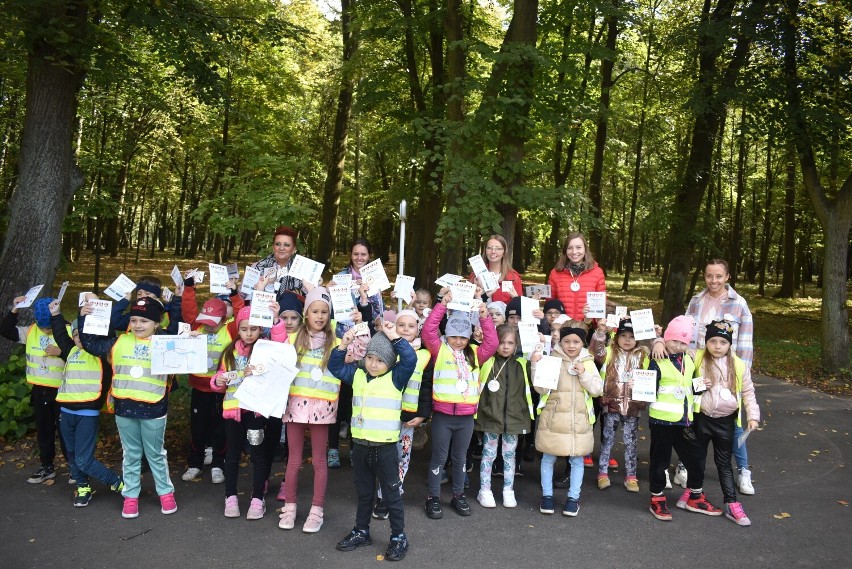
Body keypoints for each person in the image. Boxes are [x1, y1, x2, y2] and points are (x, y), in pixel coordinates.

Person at [78, 295, 183, 519]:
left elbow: (189, 355)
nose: (138, 325)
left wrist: (190, 339)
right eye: (134, 320)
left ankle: (165, 492)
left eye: (144, 321)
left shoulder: (167, 342)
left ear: (156, 324)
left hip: (154, 410)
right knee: (131, 454)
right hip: (125, 408)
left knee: (155, 454)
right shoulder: (118, 342)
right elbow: (90, 344)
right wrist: (82, 318)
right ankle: (130, 496)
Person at [329, 324, 417, 561]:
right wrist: (343, 345)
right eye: (369, 357)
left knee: (391, 495)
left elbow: (409, 358)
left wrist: (393, 337)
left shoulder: (397, 377)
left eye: (380, 360)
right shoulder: (357, 375)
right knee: (364, 493)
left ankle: (399, 536)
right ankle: (361, 531)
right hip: (360, 447)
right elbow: (334, 366)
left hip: (386, 448)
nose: (373, 364)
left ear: (390, 362)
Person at [683, 259, 757, 495]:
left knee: (733, 425)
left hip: (728, 373)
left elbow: (745, 342)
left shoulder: (739, 304)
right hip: (700, 367)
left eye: (718, 276)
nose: (713, 281)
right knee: (695, 421)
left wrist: (739, 375)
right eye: (708, 276)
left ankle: (744, 471)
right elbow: (686, 334)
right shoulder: (697, 301)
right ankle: (687, 466)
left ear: (727, 277)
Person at [421, 291, 497, 519]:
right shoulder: (439, 350)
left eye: (463, 337)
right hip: (443, 416)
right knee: (439, 457)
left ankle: (457, 495)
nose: (458, 341)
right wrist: (442, 304)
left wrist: (484, 315)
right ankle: (433, 497)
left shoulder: (475, 353)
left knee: (460, 457)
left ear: (468, 338)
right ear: (448, 335)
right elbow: (427, 331)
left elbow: (492, 343)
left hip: (465, 417)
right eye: (454, 336)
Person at [211, 303, 286, 520]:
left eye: (253, 329)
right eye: (244, 329)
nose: (249, 333)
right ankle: (231, 497)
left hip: (255, 413)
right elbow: (218, 381)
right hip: (233, 413)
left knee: (257, 454)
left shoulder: (265, 348)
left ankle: (256, 499)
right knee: (232, 455)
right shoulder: (229, 352)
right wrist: (219, 380)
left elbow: (281, 342)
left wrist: (275, 321)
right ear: (237, 329)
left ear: (260, 329)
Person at [47, 302, 123, 506]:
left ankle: (117, 482)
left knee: (83, 459)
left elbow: (107, 334)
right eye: (76, 334)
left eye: (82, 333)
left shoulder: (99, 353)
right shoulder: (70, 351)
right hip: (65, 411)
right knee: (72, 456)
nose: (78, 338)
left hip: (87, 413)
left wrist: (88, 315)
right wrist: (56, 314)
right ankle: (83, 486)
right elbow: (60, 336)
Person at [279, 287, 341, 533]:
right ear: (306, 314)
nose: (320, 316)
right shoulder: (294, 338)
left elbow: (356, 350)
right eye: (314, 311)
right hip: (296, 406)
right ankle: (290, 507)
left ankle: (317, 510)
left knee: (319, 461)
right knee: (293, 460)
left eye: (324, 312)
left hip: (323, 408)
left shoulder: (335, 339)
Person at [647, 315, 718, 521]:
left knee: (696, 457)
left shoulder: (688, 359)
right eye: (675, 340)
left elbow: (686, 388)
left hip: (683, 421)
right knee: (660, 461)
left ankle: (695, 495)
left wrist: (700, 386)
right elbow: (650, 389)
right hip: (661, 421)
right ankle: (657, 498)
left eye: (683, 342)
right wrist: (640, 388)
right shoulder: (657, 358)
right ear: (667, 339)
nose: (678, 346)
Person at [691, 320, 760, 526]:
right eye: (712, 341)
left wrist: (753, 415)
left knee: (724, 463)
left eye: (723, 341)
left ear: (730, 344)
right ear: (706, 342)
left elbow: (747, 391)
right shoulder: (697, 358)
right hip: (702, 418)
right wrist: (698, 385)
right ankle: (693, 494)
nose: (717, 346)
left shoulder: (738, 365)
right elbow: (683, 381)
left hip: (726, 422)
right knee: (697, 459)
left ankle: (732, 503)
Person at [533, 321, 602, 517]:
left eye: (576, 341)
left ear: (583, 343)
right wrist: (535, 365)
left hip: (578, 421)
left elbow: (597, 390)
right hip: (553, 418)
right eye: (567, 341)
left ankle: (573, 497)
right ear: (560, 342)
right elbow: (540, 389)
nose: (571, 346)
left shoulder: (588, 362)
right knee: (548, 457)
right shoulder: (552, 359)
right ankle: (547, 496)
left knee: (577, 459)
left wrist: (584, 374)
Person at [180, 276, 245, 485]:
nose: (208, 327)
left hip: (221, 390)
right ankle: (195, 463)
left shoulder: (230, 330)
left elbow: (243, 314)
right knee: (198, 428)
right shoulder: (196, 327)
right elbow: (188, 309)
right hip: (199, 388)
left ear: (224, 318)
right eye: (205, 322)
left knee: (219, 428)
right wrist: (189, 288)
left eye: (212, 323)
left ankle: (218, 463)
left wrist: (235, 295)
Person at [328, 238, 385, 468]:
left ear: (369, 255)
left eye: (363, 254)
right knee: (336, 397)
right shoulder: (341, 277)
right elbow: (330, 309)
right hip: (341, 339)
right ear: (350, 255)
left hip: (365, 344)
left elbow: (378, 312)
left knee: (356, 398)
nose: (359, 258)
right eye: (355, 254)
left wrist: (368, 308)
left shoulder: (375, 279)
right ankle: (332, 449)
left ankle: (354, 448)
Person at [1, 296, 69, 484]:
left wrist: (61, 352)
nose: (46, 331)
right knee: (44, 430)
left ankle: (74, 468)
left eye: (49, 327)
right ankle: (47, 466)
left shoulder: (68, 330)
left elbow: (79, 354)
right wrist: (15, 309)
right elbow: (6, 330)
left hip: (64, 391)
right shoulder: (31, 331)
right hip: (40, 390)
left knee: (66, 432)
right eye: (43, 327)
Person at [371, 309, 432, 519]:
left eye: (411, 326)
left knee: (402, 457)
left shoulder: (424, 355)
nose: (406, 329)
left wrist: (423, 414)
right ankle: (382, 493)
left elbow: (425, 387)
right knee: (384, 457)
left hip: (408, 418)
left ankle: (391, 494)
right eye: (401, 325)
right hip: (385, 415)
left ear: (418, 329)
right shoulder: (386, 350)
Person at [475, 324, 533, 509]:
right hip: (491, 416)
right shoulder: (487, 361)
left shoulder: (522, 364)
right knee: (488, 454)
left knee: (510, 456)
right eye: (501, 342)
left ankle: (508, 490)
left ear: (516, 345)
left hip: (515, 418)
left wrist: (538, 355)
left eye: (510, 343)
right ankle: (485, 490)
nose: (506, 346)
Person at [592, 318, 648, 492]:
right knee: (607, 440)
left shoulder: (643, 355)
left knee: (631, 442)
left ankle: (631, 476)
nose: (627, 339)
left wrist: (658, 339)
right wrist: (601, 333)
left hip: (633, 406)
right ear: (617, 337)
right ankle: (602, 473)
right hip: (611, 404)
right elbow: (596, 353)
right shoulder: (609, 351)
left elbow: (649, 376)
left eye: (632, 336)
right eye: (623, 335)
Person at [547, 232, 606, 322]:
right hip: (561, 328)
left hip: (587, 327)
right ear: (565, 251)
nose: (574, 252)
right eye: (570, 248)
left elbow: (602, 304)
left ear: (585, 249)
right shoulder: (555, 273)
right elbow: (550, 303)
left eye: (578, 247)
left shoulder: (597, 272)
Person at [252, 226, 307, 302]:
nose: (281, 248)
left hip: (290, 312)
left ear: (294, 249)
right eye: (278, 244)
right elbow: (244, 296)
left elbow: (309, 300)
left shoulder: (302, 270)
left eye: (286, 245)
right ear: (273, 247)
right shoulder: (258, 267)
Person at [469, 235, 523, 303]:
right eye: (489, 248)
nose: (493, 251)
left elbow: (519, 308)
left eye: (498, 248)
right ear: (485, 251)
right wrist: (479, 289)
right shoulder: (475, 275)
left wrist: (516, 299)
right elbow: (466, 304)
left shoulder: (514, 278)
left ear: (504, 252)